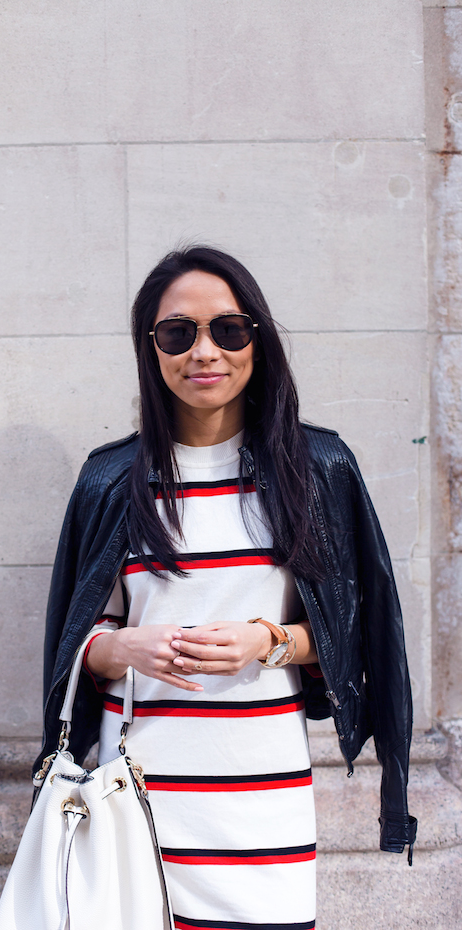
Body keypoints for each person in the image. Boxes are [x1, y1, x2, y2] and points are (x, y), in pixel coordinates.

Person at [34, 246, 417, 930]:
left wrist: (263, 642)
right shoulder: (111, 480)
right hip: (136, 806)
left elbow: (356, 634)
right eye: (178, 333)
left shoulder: (317, 468)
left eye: (228, 330)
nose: (204, 351)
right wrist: (125, 648)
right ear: (151, 349)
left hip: (263, 806)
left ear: (256, 340)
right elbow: (75, 646)